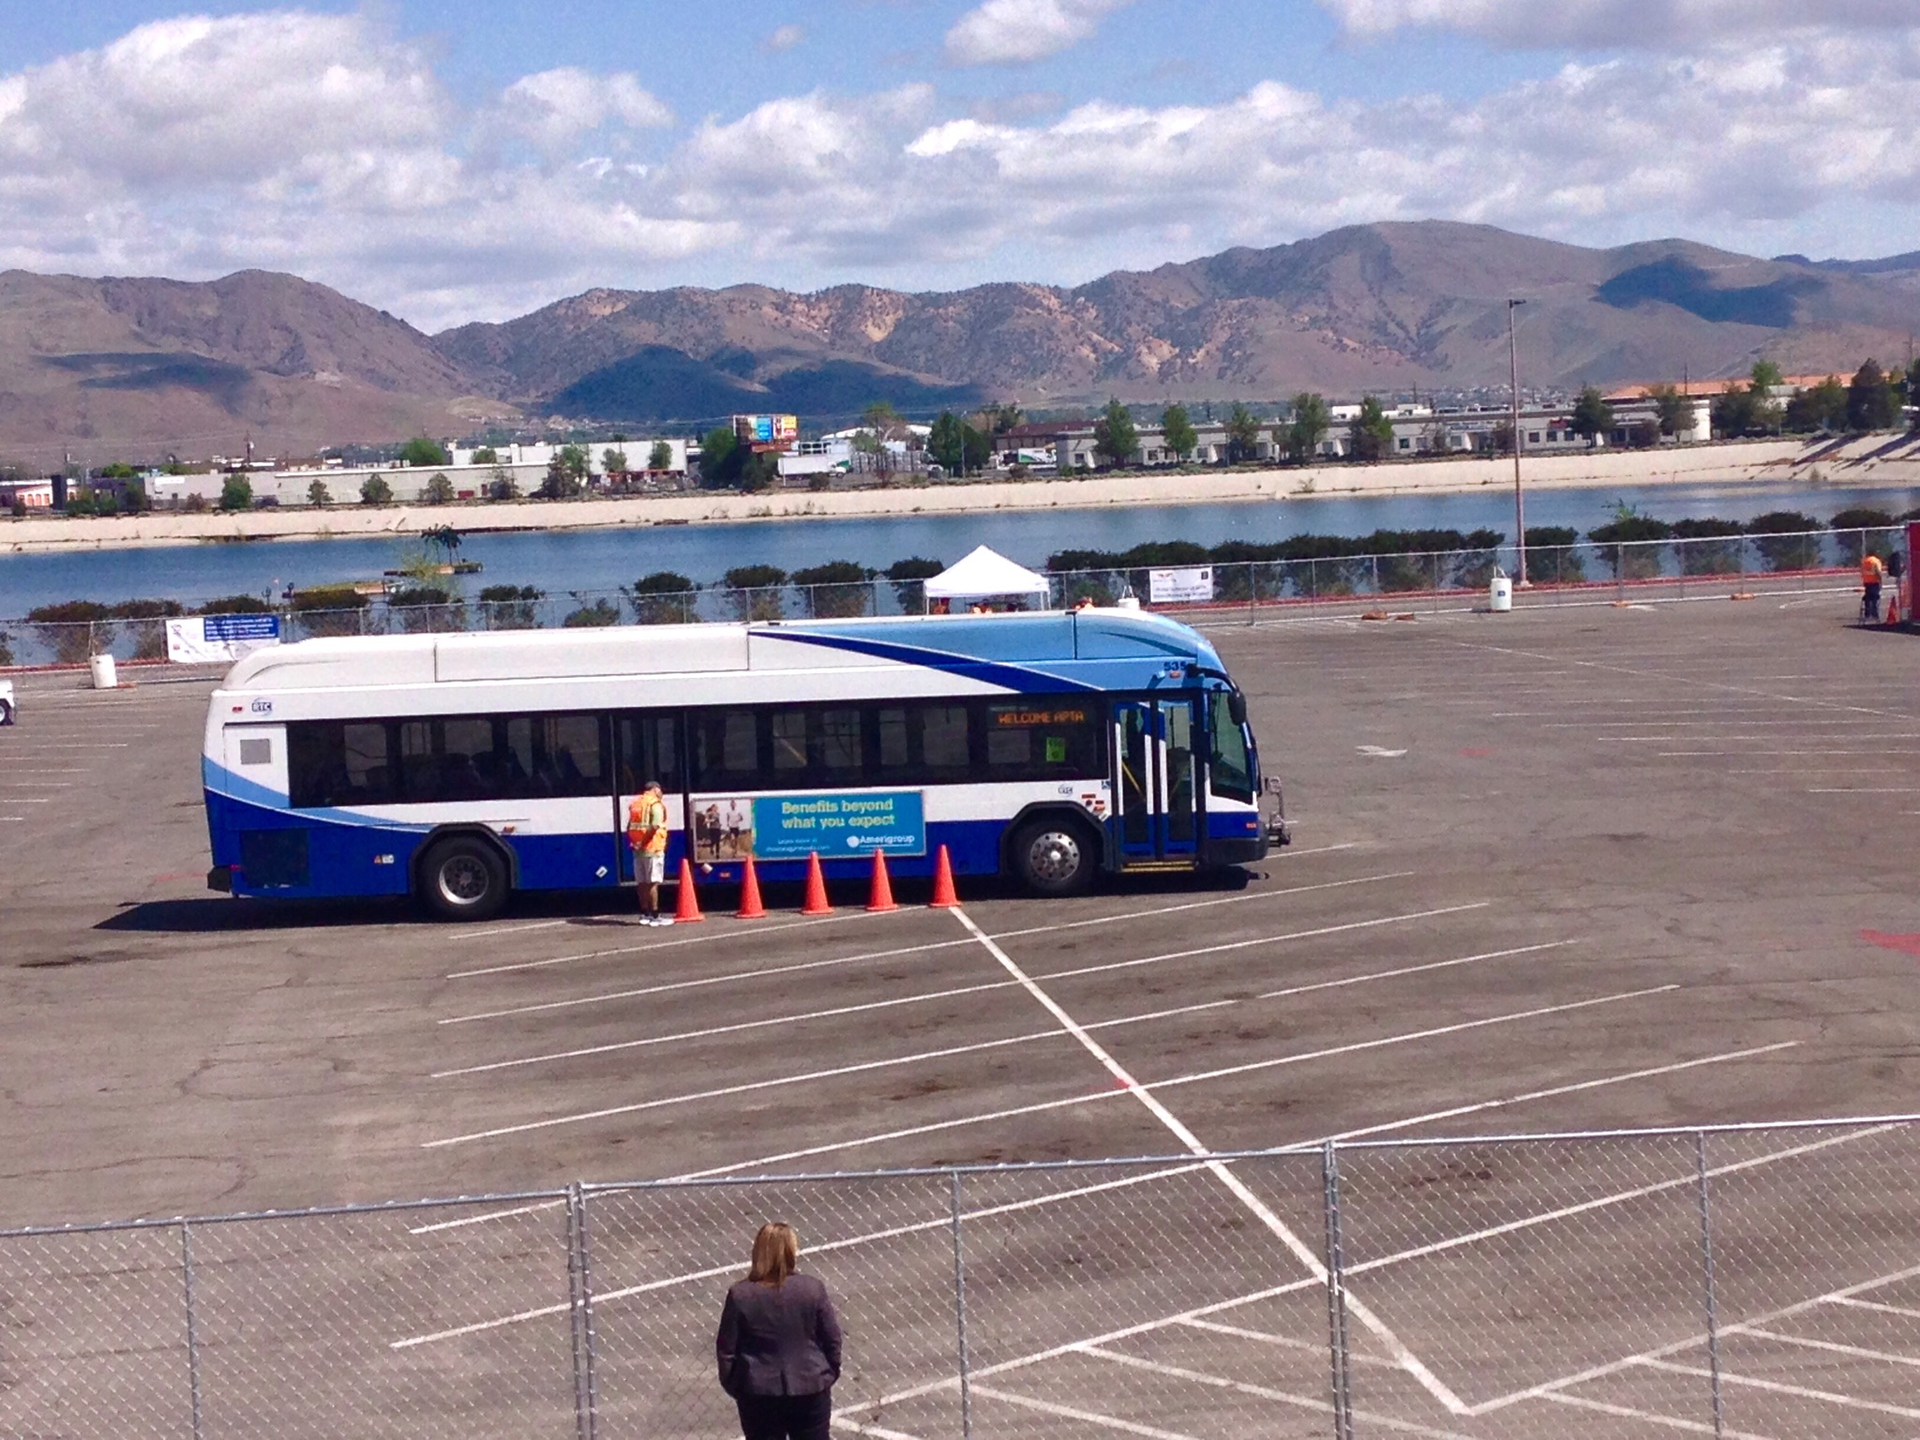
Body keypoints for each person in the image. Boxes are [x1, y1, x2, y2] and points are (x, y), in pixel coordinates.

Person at [716, 1223, 842, 1440]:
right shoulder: (812, 1289)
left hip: (758, 1390)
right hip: (810, 1384)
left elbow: (726, 1349)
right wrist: (828, 1373)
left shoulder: (741, 1294)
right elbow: (832, 1339)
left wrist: (737, 1385)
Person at [627, 780, 671, 926]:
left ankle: (644, 914)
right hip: (652, 848)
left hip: (638, 851)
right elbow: (655, 826)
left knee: (642, 883)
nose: (662, 793)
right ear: (655, 789)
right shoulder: (655, 804)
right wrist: (643, 842)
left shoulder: (636, 804)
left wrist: (635, 843)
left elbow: (630, 826)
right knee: (653, 882)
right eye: (660, 790)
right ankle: (655, 915)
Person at [1861, 551, 1886, 624]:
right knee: (1874, 598)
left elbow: (1862, 571)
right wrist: (1880, 581)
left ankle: (1867, 614)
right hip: (1874, 582)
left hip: (1867, 582)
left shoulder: (1864, 561)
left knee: (1868, 598)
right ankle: (1875, 614)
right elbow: (1878, 571)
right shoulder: (1876, 561)